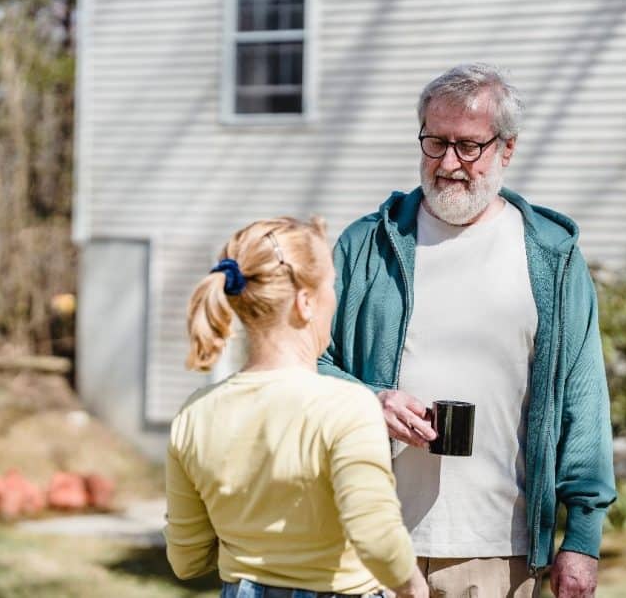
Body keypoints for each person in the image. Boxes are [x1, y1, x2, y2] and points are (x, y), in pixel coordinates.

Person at [318, 64, 617, 598]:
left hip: (498, 550)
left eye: (468, 146)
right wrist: (369, 401)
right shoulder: (365, 246)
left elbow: (584, 396)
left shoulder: (551, 256)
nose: (449, 162)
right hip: (368, 543)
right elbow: (306, 364)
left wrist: (583, 539)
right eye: (435, 142)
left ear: (507, 148)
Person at [164, 217, 429, 598]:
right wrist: (414, 589)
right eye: (330, 287)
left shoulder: (194, 414)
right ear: (305, 303)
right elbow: (376, 536)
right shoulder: (348, 407)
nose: (335, 300)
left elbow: (186, 559)